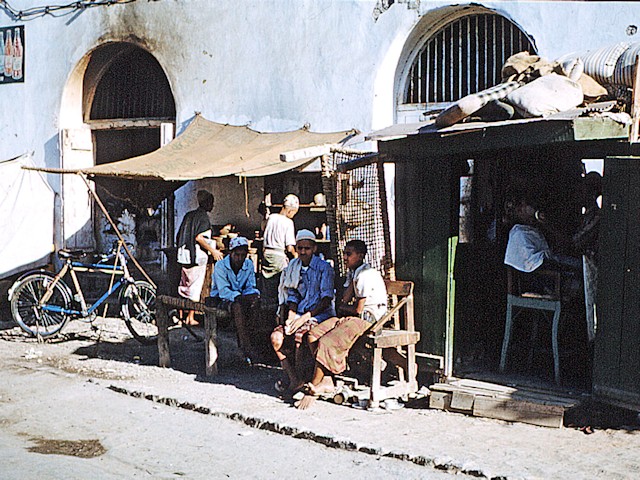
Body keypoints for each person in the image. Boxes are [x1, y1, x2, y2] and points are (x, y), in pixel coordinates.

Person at [296, 239, 388, 410]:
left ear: (360, 256)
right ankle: (327, 379)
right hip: (353, 316)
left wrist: (344, 305)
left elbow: (358, 309)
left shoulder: (365, 275)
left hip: (368, 320)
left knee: (327, 342)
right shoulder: (354, 273)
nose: (345, 257)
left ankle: (314, 386)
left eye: (349, 254)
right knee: (312, 335)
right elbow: (344, 301)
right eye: (344, 253)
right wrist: (345, 303)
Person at [270, 229, 335, 393]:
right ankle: (294, 379)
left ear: (314, 248)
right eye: (300, 248)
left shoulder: (324, 268)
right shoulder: (294, 267)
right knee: (276, 337)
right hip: (300, 314)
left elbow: (326, 299)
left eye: (307, 248)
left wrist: (304, 318)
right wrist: (291, 317)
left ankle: (303, 377)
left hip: (319, 315)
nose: (303, 252)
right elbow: (293, 295)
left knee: (300, 336)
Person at [504, 195, 581, 295]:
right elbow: (533, 264)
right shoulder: (519, 233)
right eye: (524, 206)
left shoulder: (533, 230)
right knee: (579, 271)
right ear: (519, 211)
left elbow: (563, 242)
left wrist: (544, 223)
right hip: (537, 281)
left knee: (579, 266)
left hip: (547, 275)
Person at [210, 236, 261, 364]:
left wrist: (252, 295)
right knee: (237, 306)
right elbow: (223, 291)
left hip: (241, 297)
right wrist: (241, 297)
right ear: (230, 253)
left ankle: (250, 341)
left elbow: (250, 286)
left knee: (256, 304)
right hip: (221, 299)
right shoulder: (220, 266)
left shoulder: (248, 264)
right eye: (236, 255)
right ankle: (245, 346)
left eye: (242, 255)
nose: (239, 258)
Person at [176, 190, 224, 325]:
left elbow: (178, 235)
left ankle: (180, 317)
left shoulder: (189, 215)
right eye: (211, 203)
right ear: (207, 203)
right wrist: (213, 251)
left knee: (184, 287)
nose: (213, 205)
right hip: (196, 258)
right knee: (194, 289)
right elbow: (199, 237)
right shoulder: (203, 218)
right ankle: (190, 318)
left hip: (184, 257)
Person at [260, 194, 299, 304]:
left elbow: (263, 229)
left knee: (267, 287)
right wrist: (296, 255)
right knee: (280, 287)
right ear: (290, 211)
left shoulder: (271, 217)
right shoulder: (288, 222)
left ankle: (266, 308)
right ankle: (277, 311)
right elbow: (290, 247)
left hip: (266, 255)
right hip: (278, 257)